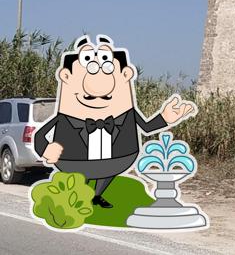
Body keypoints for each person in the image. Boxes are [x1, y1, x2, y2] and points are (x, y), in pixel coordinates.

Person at [33, 34, 196, 209]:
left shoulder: (128, 114)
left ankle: (96, 196)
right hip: (75, 159)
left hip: (117, 158)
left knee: (106, 172)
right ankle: (79, 196)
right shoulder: (64, 118)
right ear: (66, 76)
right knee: (81, 178)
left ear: (126, 74)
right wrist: (45, 148)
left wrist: (165, 118)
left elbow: (147, 127)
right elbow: (41, 135)